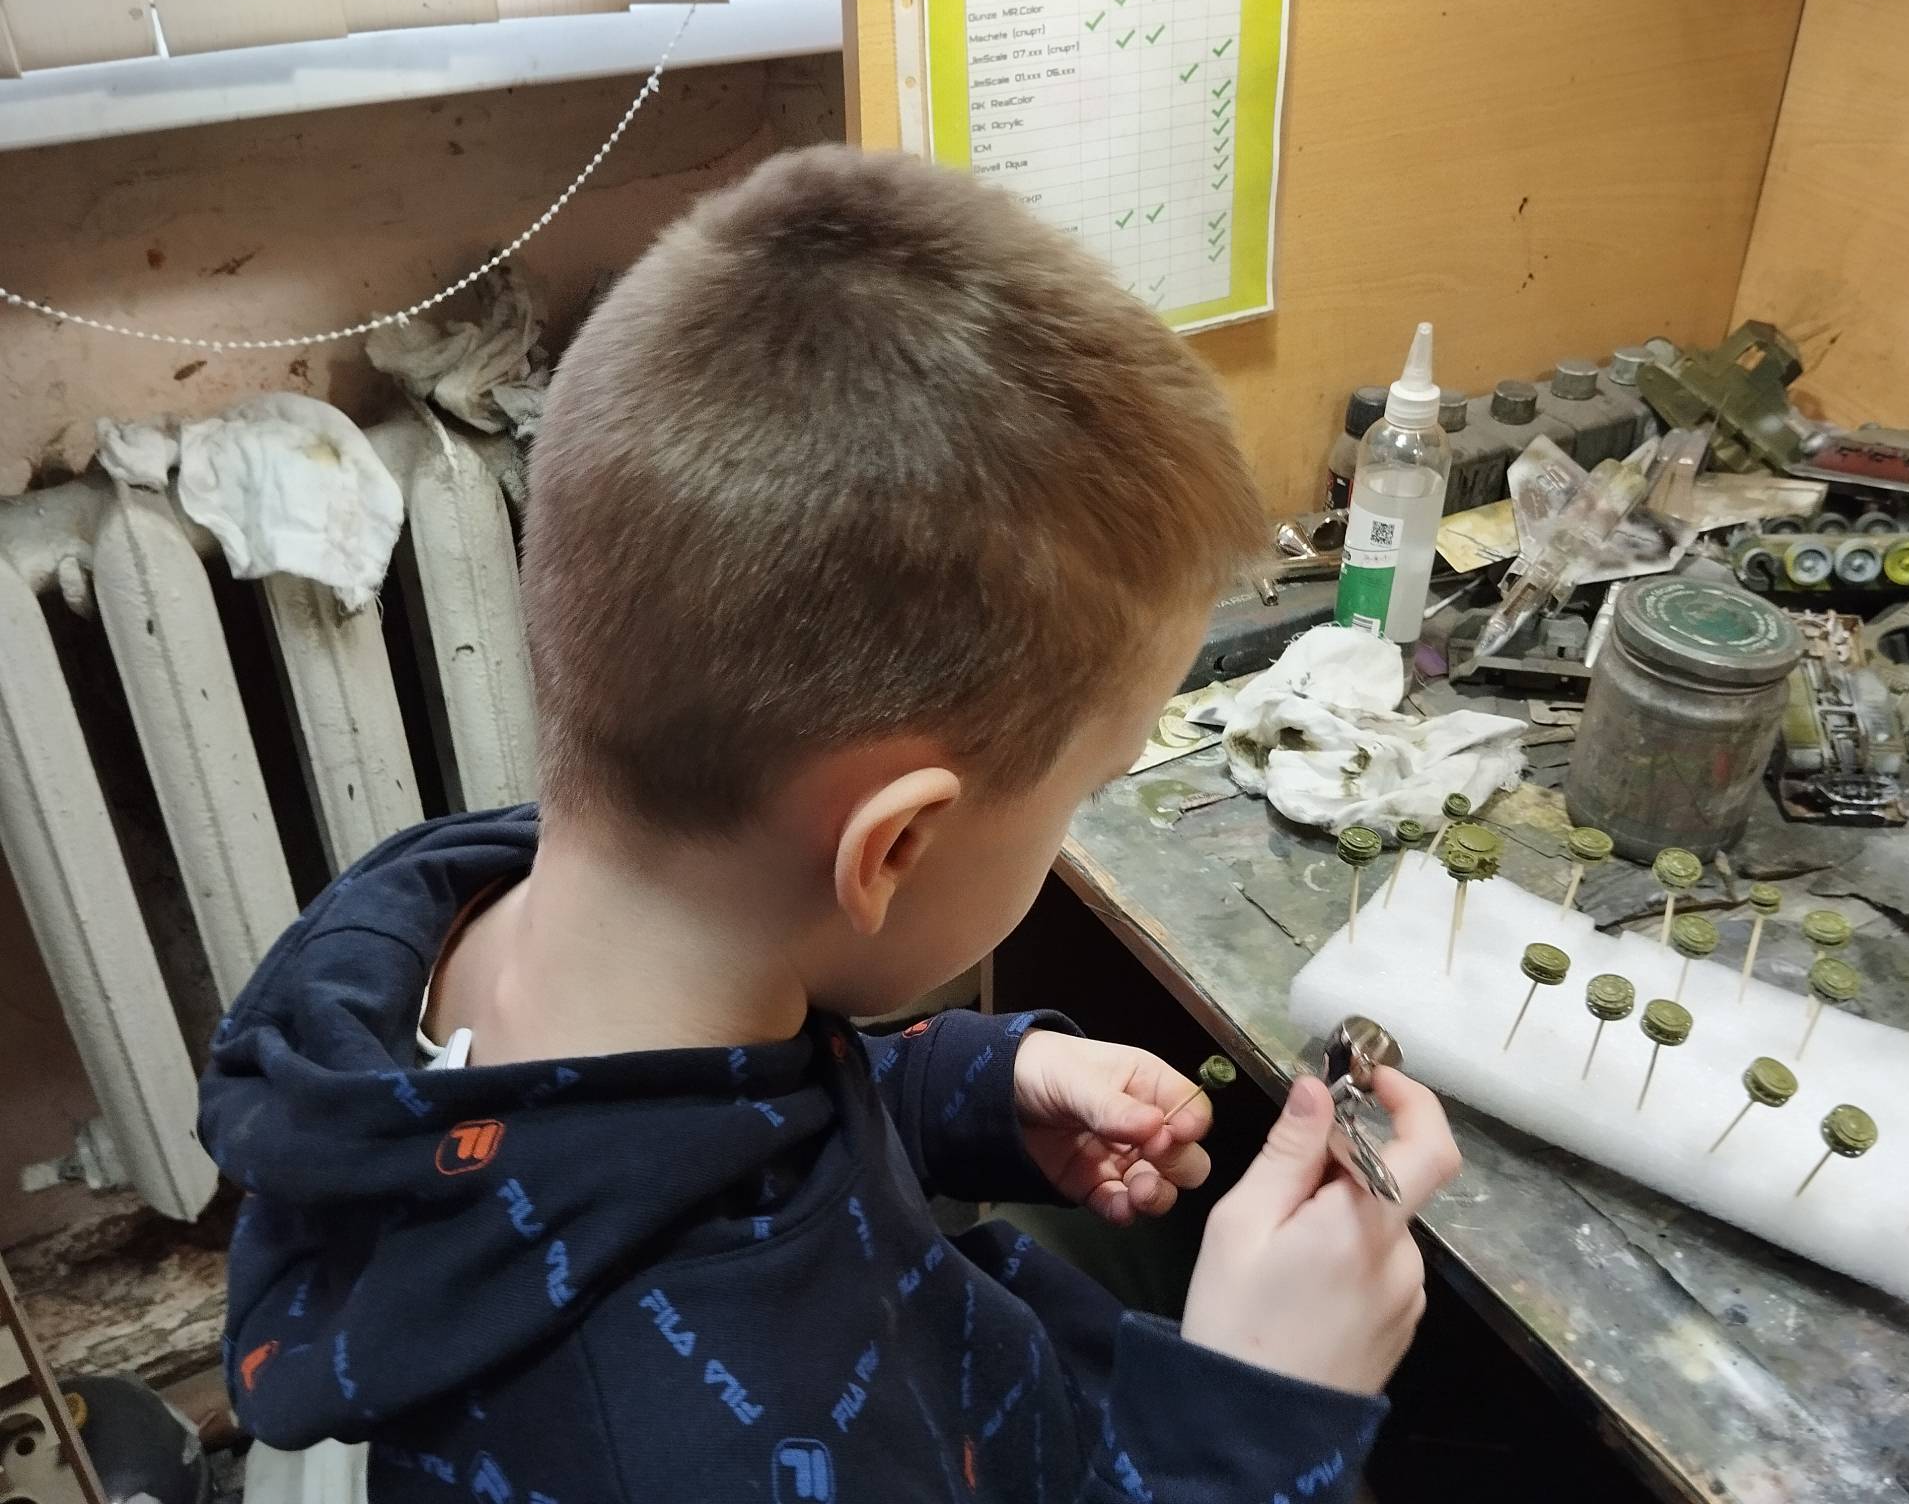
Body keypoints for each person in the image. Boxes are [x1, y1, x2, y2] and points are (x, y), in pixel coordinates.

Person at [201, 145, 1459, 1503]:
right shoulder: (698, 1461)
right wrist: (1252, 1431)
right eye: (1082, 792)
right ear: (893, 848)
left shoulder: (466, 931)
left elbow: (690, 1132)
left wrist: (964, 1089)